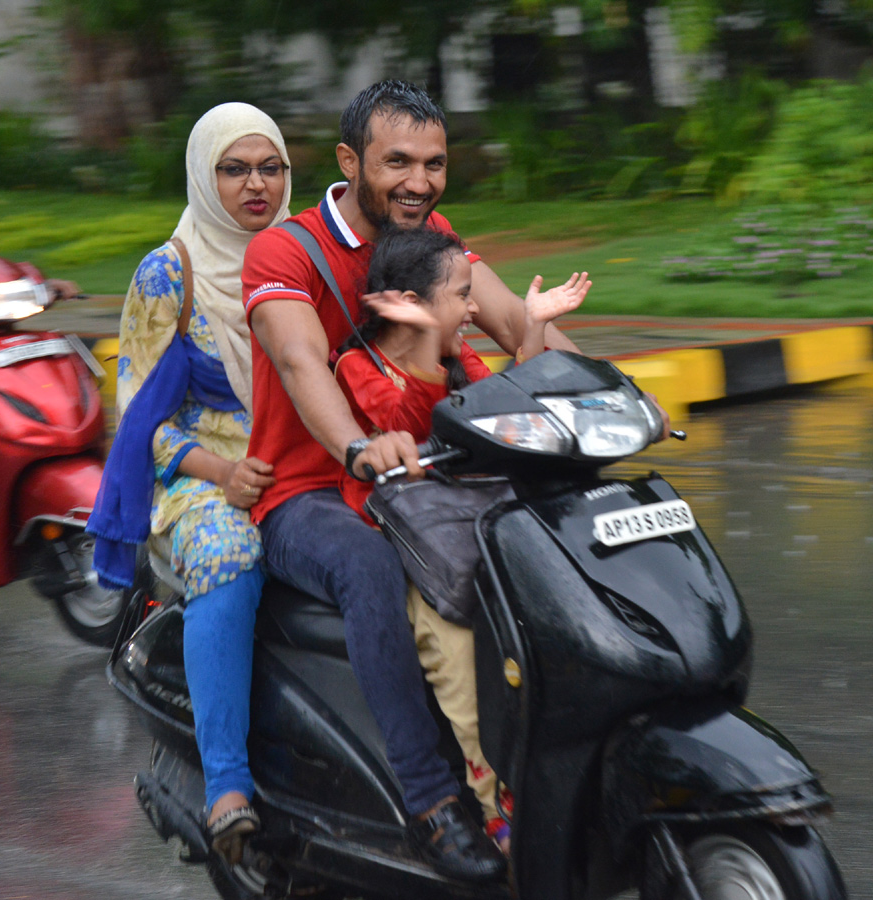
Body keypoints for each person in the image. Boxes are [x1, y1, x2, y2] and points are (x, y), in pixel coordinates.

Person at [238, 80, 574, 882]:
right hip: (311, 492)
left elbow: (517, 325)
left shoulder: (433, 234)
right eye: (397, 162)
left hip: (431, 483)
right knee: (368, 566)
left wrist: (609, 389)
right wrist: (357, 446)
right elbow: (297, 359)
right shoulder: (284, 250)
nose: (418, 182)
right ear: (350, 161)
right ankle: (431, 801)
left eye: (434, 163)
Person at [334, 227, 590, 853]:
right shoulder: (356, 366)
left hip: (469, 522)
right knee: (457, 657)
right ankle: (497, 803)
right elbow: (399, 427)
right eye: (460, 296)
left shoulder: (455, 355)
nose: (474, 309)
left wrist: (532, 330)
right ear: (412, 305)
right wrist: (427, 343)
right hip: (413, 545)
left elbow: (498, 408)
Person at [87, 102, 289, 865]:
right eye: (234, 170)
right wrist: (223, 473)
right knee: (230, 556)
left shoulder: (299, 257)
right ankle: (227, 789)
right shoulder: (170, 271)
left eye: (269, 167)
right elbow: (140, 417)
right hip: (200, 476)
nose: (255, 185)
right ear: (205, 178)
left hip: (294, 461)